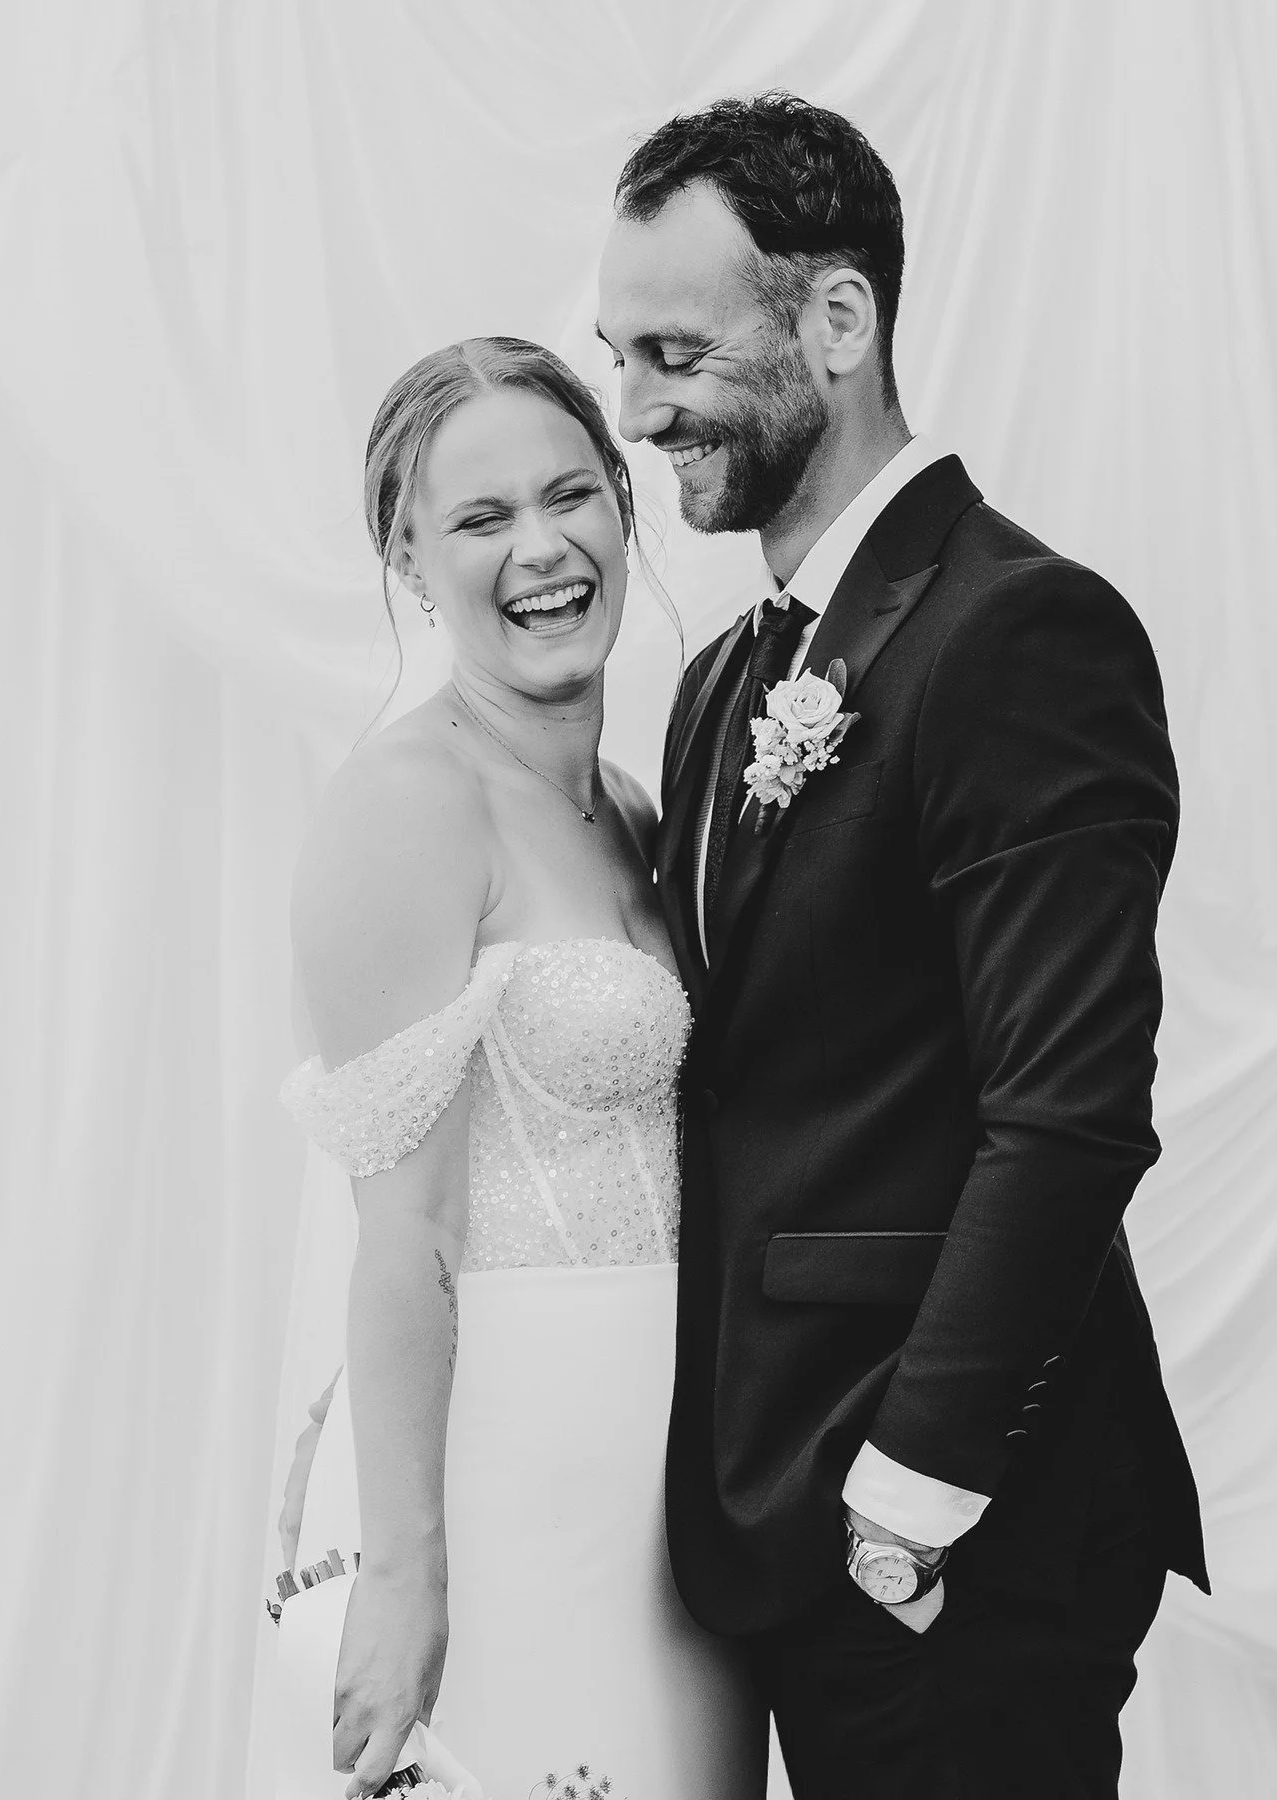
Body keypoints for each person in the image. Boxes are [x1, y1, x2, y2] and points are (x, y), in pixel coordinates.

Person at [596, 93, 1210, 1798]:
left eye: (674, 351)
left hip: (958, 1544)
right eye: (618, 355)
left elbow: (1070, 1112)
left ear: (839, 321)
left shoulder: (1022, 630)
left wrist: (906, 1504)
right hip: (767, 1523)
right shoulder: (724, 680)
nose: (635, 411)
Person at [271, 338, 764, 1800]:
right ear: (409, 557)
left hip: (674, 1490)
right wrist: (408, 1573)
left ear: (625, 504)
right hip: (505, 1470)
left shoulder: (632, 808)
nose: (540, 548)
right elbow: (402, 1236)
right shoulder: (407, 806)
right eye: (481, 520)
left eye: (570, 496)